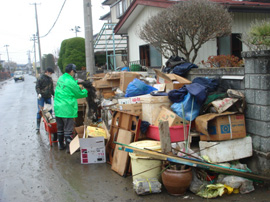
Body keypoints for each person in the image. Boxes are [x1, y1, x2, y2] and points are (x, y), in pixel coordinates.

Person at [54, 64, 88, 153]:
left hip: (58, 107)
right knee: (68, 129)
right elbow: (79, 94)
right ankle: (70, 148)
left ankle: (61, 145)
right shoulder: (71, 82)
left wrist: (76, 82)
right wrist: (86, 91)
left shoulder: (61, 78)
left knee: (60, 128)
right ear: (72, 71)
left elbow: (68, 86)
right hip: (67, 108)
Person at [35, 67, 55, 134]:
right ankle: (38, 126)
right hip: (42, 97)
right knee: (40, 111)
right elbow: (37, 86)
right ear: (47, 71)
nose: (51, 74)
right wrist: (39, 93)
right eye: (50, 73)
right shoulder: (41, 78)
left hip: (48, 96)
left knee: (49, 110)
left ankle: (50, 124)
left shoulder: (50, 79)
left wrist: (54, 95)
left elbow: (51, 88)